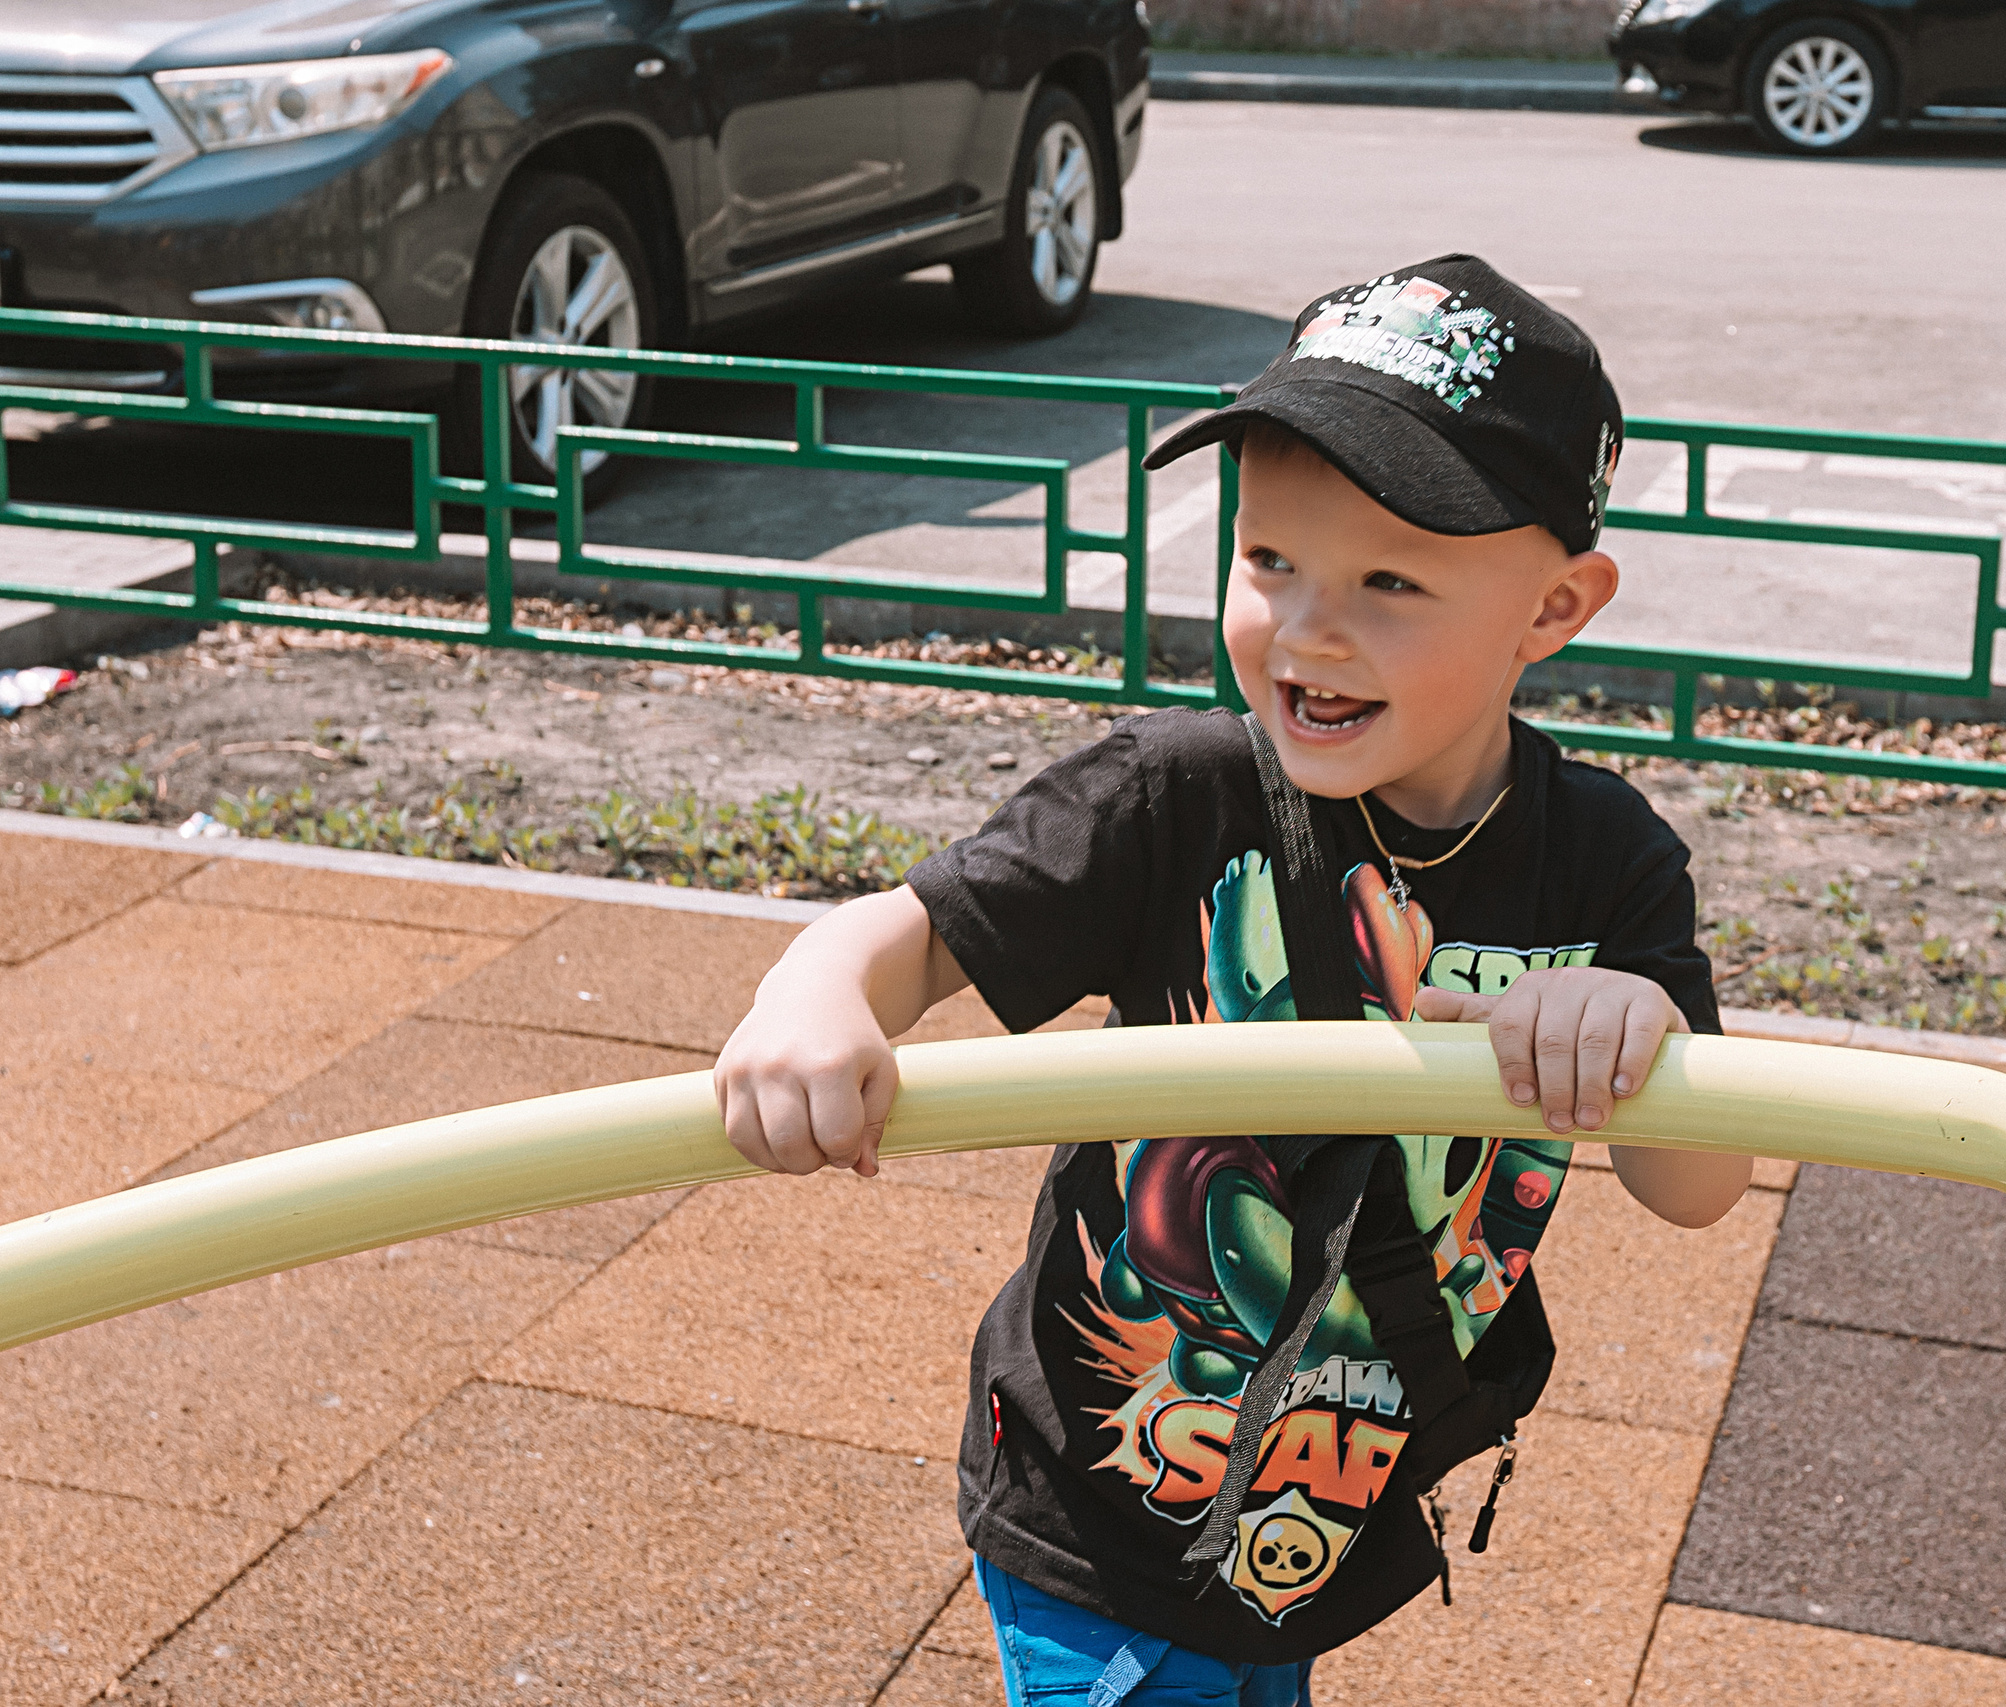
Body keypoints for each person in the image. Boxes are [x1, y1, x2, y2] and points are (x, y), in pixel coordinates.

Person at [713, 255, 1757, 1706]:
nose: (1309, 628)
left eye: (1390, 581)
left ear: (1553, 608)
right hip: (1107, 1486)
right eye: (1269, 561)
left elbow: (1701, 1188)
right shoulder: (1175, 796)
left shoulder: (1600, 863)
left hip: (1329, 1496)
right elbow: (918, 933)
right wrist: (816, 989)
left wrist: (1636, 1037)